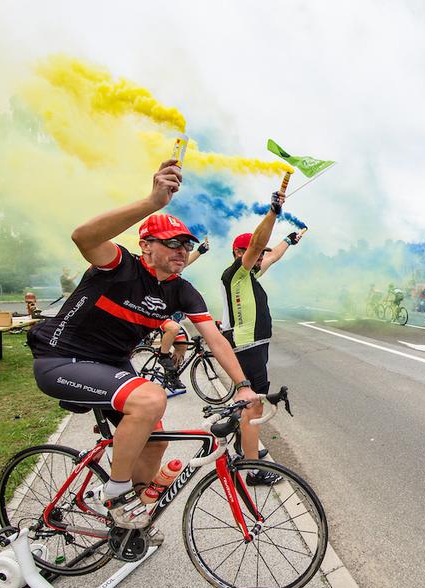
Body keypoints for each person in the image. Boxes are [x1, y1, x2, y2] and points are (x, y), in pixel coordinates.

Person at [28, 159, 260, 537]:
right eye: (171, 244)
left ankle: (128, 521)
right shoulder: (120, 265)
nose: (181, 251)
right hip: (62, 360)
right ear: (146, 246)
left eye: (185, 245)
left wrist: (243, 386)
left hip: (110, 367)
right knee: (151, 398)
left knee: (157, 443)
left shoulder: (181, 288)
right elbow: (83, 237)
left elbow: (214, 338)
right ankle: (117, 492)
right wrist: (153, 202)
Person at [220, 200, 305, 486]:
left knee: (247, 402)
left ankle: (243, 444)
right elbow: (258, 245)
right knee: (253, 406)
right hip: (246, 346)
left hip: (253, 346)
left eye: (259, 255)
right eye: (254, 253)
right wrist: (273, 214)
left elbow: (271, 256)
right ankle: (253, 468)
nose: (260, 258)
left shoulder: (250, 273)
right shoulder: (236, 273)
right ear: (238, 253)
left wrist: (288, 240)